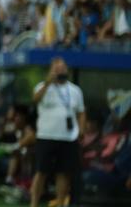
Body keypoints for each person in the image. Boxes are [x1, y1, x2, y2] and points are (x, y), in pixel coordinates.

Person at [30, 57, 85, 207]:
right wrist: (48, 82)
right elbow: (35, 99)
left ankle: (61, 203)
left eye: (63, 68)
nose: (61, 71)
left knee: (64, 172)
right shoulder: (42, 87)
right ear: (51, 70)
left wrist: (81, 129)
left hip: (68, 137)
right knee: (41, 172)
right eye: (57, 69)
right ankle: (33, 204)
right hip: (46, 136)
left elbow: (81, 112)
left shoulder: (75, 90)